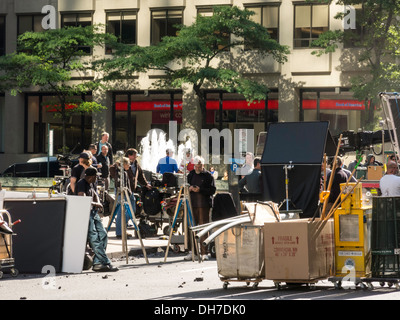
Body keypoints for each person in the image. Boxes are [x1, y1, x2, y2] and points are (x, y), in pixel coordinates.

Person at [76, 167, 118, 272]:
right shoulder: (81, 184)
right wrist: (96, 204)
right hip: (86, 214)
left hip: (93, 213)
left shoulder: (91, 183)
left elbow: (94, 194)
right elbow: (82, 199)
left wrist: (98, 201)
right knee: (94, 238)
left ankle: (97, 262)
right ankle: (106, 262)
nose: (97, 178)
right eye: (95, 176)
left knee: (103, 235)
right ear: (90, 177)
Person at [185, 156, 216, 261]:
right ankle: (192, 252)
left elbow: (212, 190)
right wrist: (189, 188)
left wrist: (200, 190)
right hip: (192, 204)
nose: (197, 168)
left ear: (203, 165)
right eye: (196, 166)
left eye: (199, 166)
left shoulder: (208, 176)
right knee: (191, 227)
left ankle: (204, 252)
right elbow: (186, 186)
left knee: (203, 228)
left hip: (203, 205)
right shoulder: (191, 174)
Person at [109, 157, 135, 239]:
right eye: (128, 164)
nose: (129, 165)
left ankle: (122, 229)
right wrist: (127, 192)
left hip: (124, 192)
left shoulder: (123, 172)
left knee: (124, 212)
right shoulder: (121, 172)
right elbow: (122, 184)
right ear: (123, 164)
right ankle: (120, 232)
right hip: (123, 193)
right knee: (121, 212)